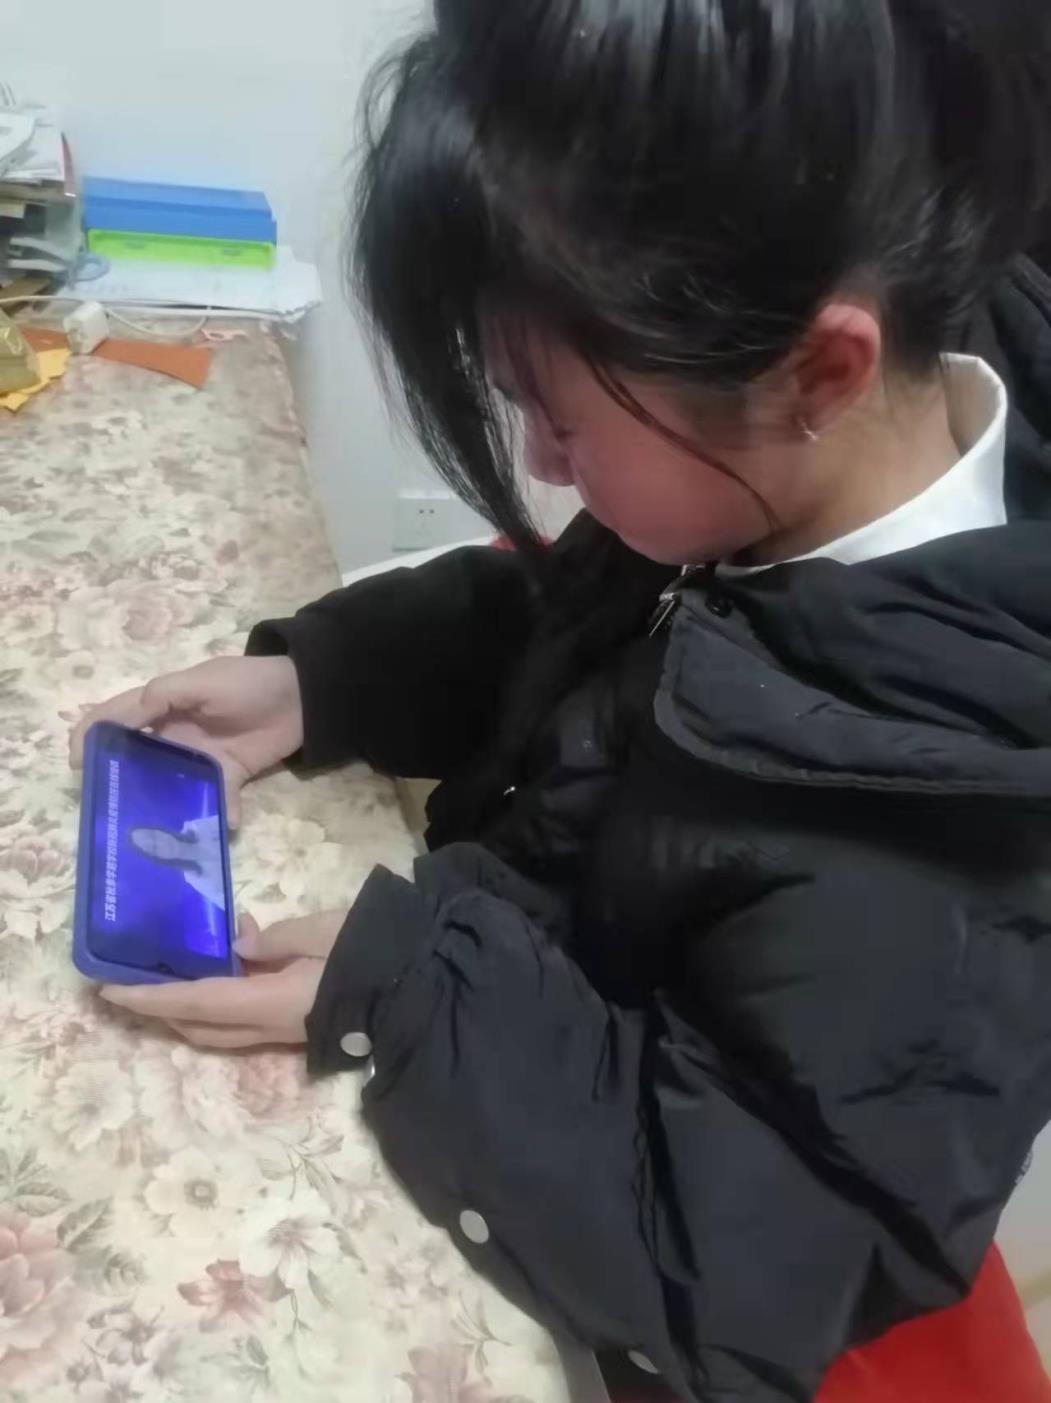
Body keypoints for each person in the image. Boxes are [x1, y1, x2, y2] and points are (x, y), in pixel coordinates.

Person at [71, 2, 1051, 1399]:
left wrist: (422, 991)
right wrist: (326, 678)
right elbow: (581, 610)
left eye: (562, 418)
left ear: (817, 370)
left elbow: (742, 1248)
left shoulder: (941, 833)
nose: (536, 457)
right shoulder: (783, 472)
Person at [128, 820, 227, 912]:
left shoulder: (198, 828)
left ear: (159, 830)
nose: (162, 843)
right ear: (156, 858)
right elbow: (229, 904)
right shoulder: (196, 878)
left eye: (153, 835)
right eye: (153, 848)